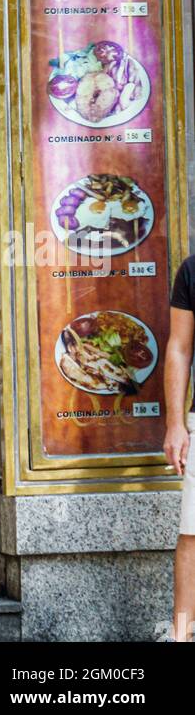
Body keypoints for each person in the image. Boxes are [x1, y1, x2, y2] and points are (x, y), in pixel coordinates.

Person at [164, 252, 195, 641]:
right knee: (193, 534)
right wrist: (176, 423)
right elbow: (179, 347)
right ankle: (182, 636)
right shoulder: (192, 269)